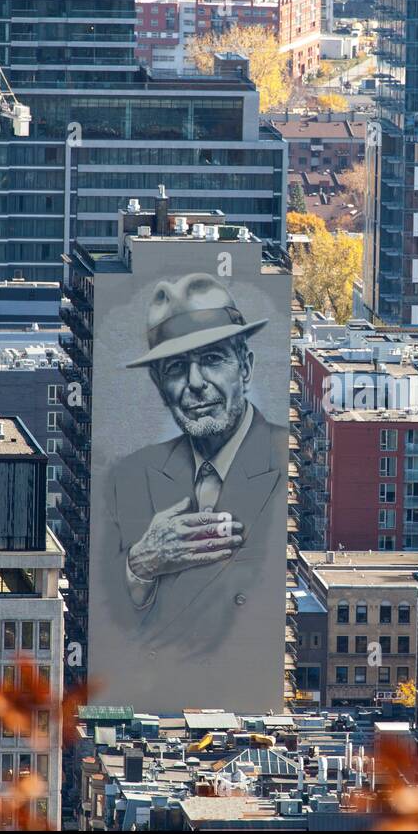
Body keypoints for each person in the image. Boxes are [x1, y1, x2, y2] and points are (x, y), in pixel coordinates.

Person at [100, 272, 287, 664]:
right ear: (158, 384)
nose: (195, 383)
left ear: (246, 367)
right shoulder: (129, 476)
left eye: (212, 360)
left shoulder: (284, 461)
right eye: (175, 368)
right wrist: (140, 565)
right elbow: (107, 619)